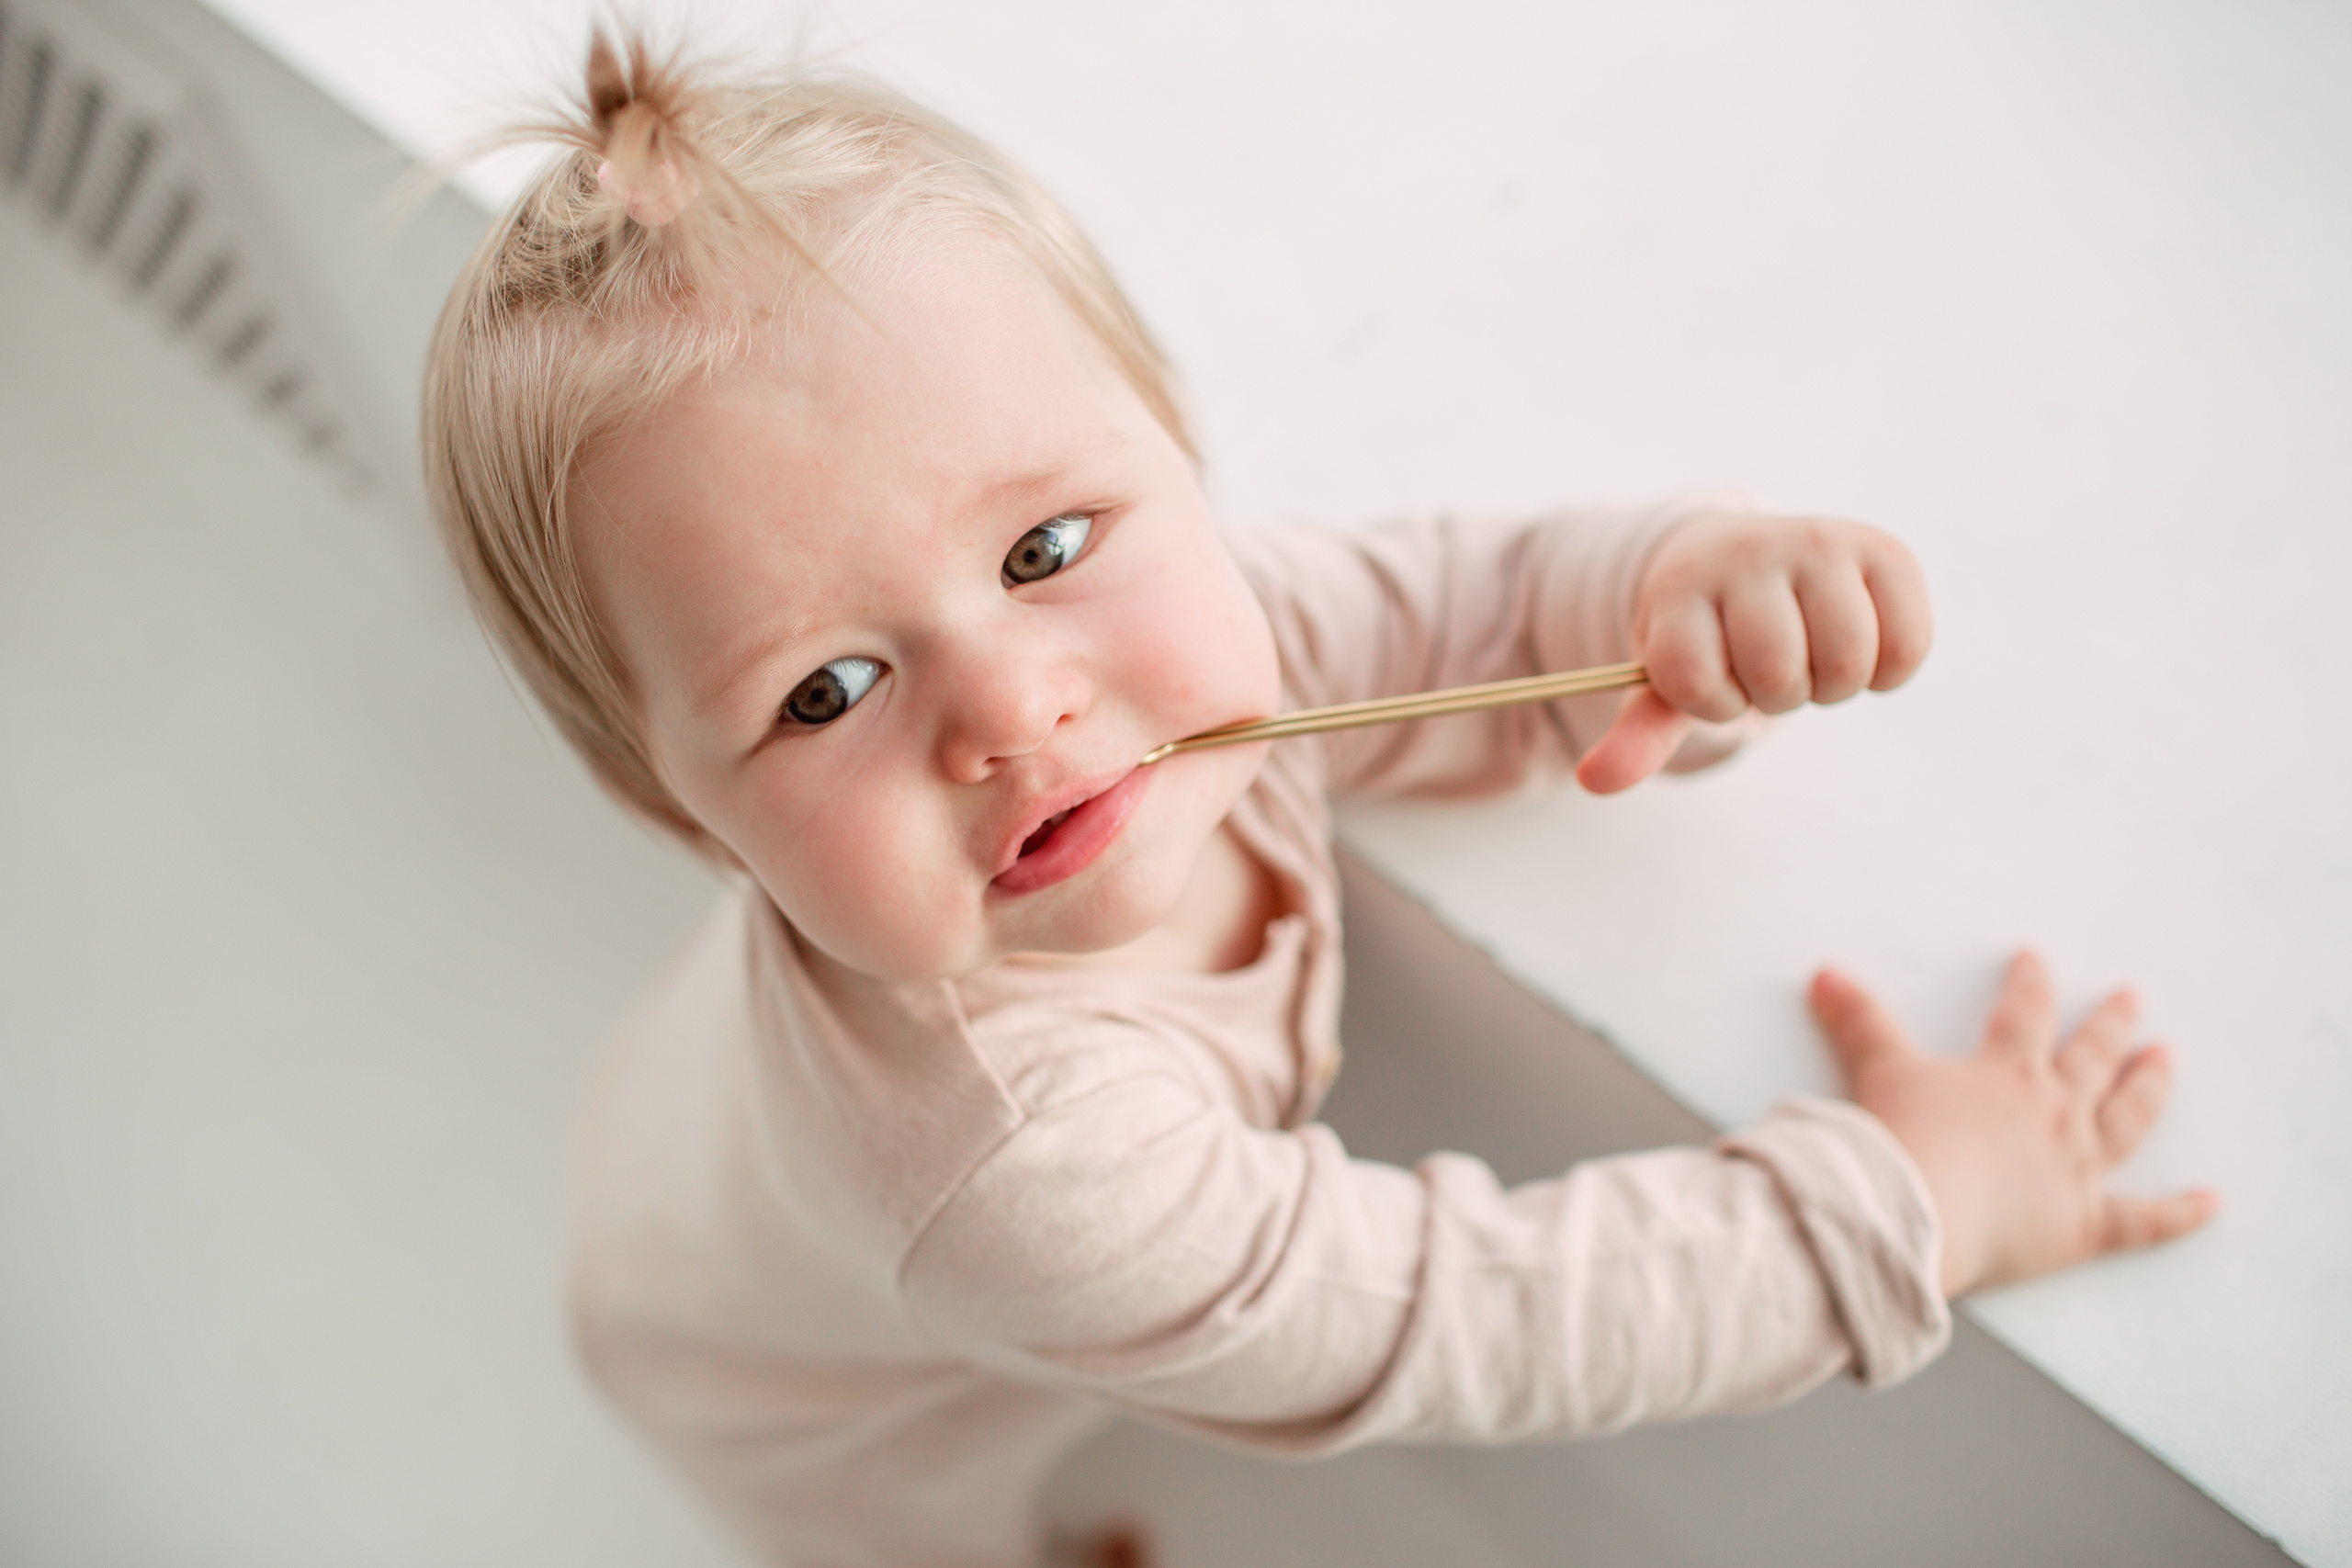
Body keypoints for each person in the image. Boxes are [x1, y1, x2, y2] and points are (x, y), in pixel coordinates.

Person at [421, 34, 2219, 1567]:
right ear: (686, 818)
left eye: (1044, 547)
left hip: (692, 1142)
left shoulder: (1204, 636)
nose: (1015, 707)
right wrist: (1915, 1205)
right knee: (914, 1522)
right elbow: (1484, 1314)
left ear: (1177, 451)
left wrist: (1675, 597)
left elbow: (1468, 616)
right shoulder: (1022, 1178)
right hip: (772, 1378)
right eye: (823, 691)